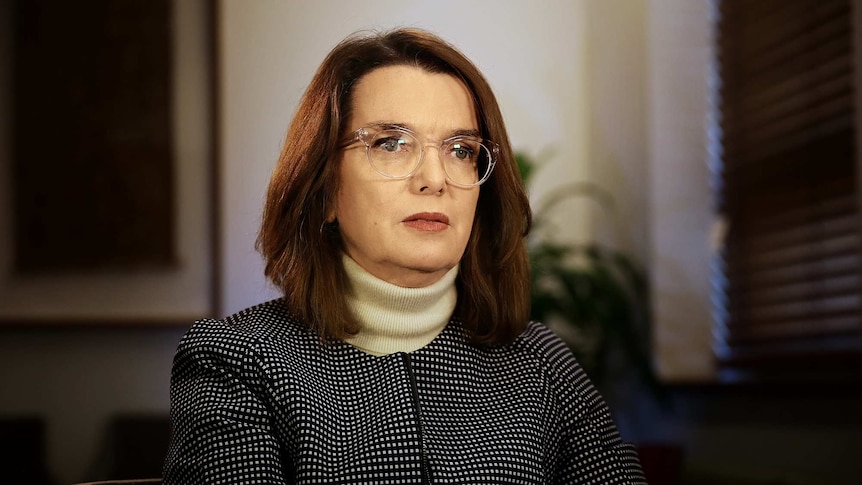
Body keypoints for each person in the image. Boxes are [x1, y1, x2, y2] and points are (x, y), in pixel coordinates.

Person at [163, 28, 646, 484]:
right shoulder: (236, 361)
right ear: (326, 189)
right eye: (391, 143)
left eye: (461, 149)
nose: (434, 178)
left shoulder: (542, 364)